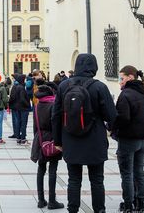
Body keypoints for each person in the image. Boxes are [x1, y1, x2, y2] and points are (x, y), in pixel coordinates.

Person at [52, 53, 117, 213]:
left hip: (70, 138)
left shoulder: (63, 86)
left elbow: (56, 115)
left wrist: (58, 141)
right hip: (95, 140)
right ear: (94, 67)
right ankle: (99, 210)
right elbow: (111, 115)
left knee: (73, 179)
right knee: (97, 180)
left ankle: (72, 210)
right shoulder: (100, 87)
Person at [113, 66, 144, 212]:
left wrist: (112, 127)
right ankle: (140, 203)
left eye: (121, 79)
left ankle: (128, 205)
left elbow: (123, 118)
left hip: (129, 139)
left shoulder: (126, 94)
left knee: (127, 174)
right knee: (139, 172)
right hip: (143, 139)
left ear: (130, 77)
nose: (119, 82)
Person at [31, 83, 64, 210]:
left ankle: (40, 199)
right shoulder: (53, 105)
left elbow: (35, 126)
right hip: (51, 139)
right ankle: (52, 200)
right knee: (52, 170)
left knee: (41, 169)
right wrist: (59, 142)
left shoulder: (37, 106)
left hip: (40, 139)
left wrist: (37, 139)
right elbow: (56, 124)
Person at [9, 74, 31, 145]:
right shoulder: (21, 88)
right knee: (23, 123)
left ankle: (18, 138)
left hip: (16, 108)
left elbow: (11, 97)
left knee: (18, 122)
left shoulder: (14, 87)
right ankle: (23, 139)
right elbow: (22, 99)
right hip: (23, 108)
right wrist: (28, 105)